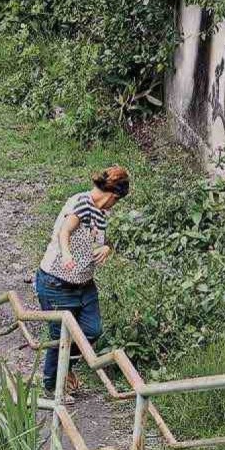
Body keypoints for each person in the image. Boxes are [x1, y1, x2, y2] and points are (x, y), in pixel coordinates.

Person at [36, 166, 130, 400]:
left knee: (92, 329)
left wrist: (107, 247)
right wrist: (66, 254)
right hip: (56, 282)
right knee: (61, 338)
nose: (114, 206)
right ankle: (51, 387)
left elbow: (102, 239)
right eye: (116, 201)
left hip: (84, 283)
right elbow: (65, 231)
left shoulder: (102, 213)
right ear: (112, 196)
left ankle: (65, 368)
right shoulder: (82, 203)